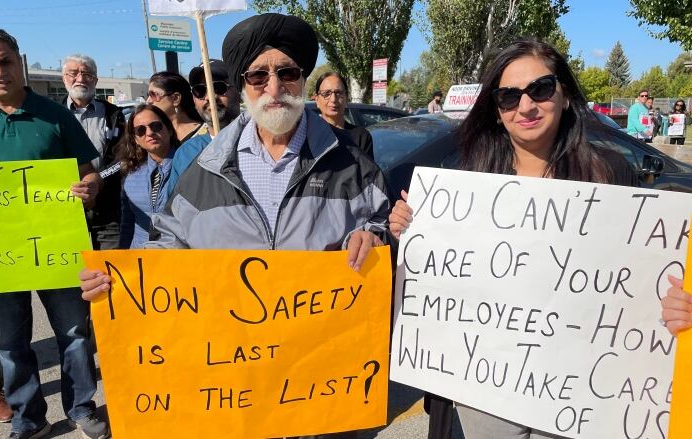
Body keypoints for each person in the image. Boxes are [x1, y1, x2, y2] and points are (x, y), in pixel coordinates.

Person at [78, 13, 391, 439]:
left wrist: (374, 237)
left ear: (303, 79)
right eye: (259, 75)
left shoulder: (354, 167)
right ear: (243, 86)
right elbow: (168, 245)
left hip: (323, 398)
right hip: (233, 400)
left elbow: (384, 233)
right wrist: (120, 282)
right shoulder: (205, 171)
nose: (274, 87)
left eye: (288, 72)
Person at [388, 39, 637, 439]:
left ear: (565, 94)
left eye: (540, 89)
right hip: (485, 391)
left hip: (577, 390)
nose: (525, 107)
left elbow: (638, 284)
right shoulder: (467, 183)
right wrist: (408, 232)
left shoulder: (609, 173)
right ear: (496, 109)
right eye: (508, 96)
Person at [0, 29, 109, 439]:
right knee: (8, 342)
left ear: (20, 62)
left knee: (75, 332)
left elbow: (89, 173)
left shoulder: (55, 115)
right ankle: (29, 418)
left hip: (58, 243)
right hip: (2, 254)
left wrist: (91, 187)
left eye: (5, 60)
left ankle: (81, 407)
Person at [61, 54, 126, 250]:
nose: (80, 79)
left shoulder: (113, 114)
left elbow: (123, 157)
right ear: (64, 78)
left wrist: (98, 180)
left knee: (110, 269)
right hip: (64, 206)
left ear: (96, 80)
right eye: (73, 73)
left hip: (107, 206)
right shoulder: (52, 115)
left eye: (87, 74)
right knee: (70, 271)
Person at [165, 59, 242, 195]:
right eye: (200, 90)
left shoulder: (259, 143)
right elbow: (173, 210)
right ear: (193, 99)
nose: (209, 97)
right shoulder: (186, 153)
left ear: (238, 91)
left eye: (218, 88)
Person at [118, 104, 180, 249]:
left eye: (156, 126)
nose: (149, 133)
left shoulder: (189, 165)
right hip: (141, 256)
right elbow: (127, 223)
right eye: (140, 130)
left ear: (169, 129)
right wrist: (123, 257)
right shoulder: (131, 174)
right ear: (135, 139)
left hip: (179, 256)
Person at [313, 71, 374, 158]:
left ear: (346, 98)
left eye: (339, 93)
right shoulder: (307, 136)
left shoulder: (361, 137)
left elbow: (368, 170)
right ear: (317, 100)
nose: (333, 99)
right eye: (326, 93)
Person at [145, 71, 203, 143]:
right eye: (148, 95)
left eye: (153, 95)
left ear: (176, 99)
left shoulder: (205, 134)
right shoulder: (153, 134)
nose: (148, 101)